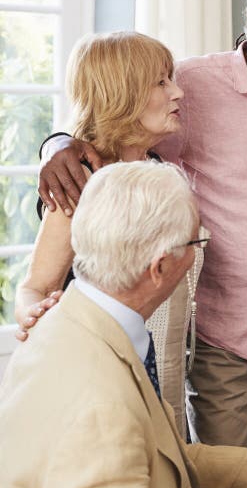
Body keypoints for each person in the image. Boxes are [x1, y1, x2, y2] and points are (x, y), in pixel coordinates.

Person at [36, 0, 247, 454]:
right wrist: (57, 144)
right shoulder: (194, 85)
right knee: (223, 483)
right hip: (224, 331)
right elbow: (111, 124)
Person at [0, 161, 247, 488]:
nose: (199, 254)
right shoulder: (100, 412)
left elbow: (167, 460)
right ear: (159, 267)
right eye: (195, 243)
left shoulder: (69, 322)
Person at [15, 31, 199, 437]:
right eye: (161, 82)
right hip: (98, 382)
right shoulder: (80, 182)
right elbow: (34, 287)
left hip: (164, 379)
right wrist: (34, 314)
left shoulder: (160, 169)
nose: (179, 93)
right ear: (124, 94)